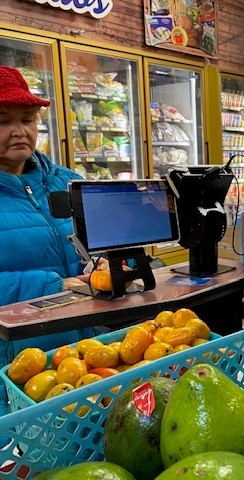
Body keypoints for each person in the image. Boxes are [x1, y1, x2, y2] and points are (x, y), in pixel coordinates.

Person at [0, 66, 97, 416]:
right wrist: (53, 285)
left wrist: (111, 264)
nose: (19, 131)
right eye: (3, 121)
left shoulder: (68, 182)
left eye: (27, 119)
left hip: (90, 353)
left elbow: (104, 245)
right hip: (19, 367)